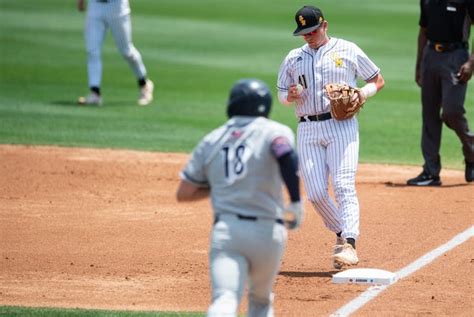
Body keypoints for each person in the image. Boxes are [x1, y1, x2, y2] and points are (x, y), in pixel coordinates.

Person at [176, 78, 303, 317]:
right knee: (261, 301)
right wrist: (295, 201)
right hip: (268, 233)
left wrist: (224, 185)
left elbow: (184, 193)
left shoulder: (212, 139)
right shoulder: (276, 131)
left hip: (228, 232)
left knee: (224, 299)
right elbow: (284, 154)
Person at [277, 6, 385, 270]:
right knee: (314, 193)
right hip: (307, 129)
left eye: (312, 31)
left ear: (324, 25)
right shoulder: (293, 58)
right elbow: (281, 96)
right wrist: (290, 95)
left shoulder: (348, 49)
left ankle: (349, 243)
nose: (308, 37)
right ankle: (340, 232)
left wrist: (362, 93)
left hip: (342, 127)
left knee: (343, 184)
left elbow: (377, 80)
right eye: (304, 33)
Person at [407, 0, 474, 186]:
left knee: (452, 111)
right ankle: (430, 172)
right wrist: (419, 65)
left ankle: (471, 151)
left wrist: (471, 63)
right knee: (429, 114)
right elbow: (423, 31)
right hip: (431, 55)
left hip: (456, 56)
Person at [77, 0, 154, 106]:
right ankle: (95, 93)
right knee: (92, 51)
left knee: (126, 51)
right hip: (95, 5)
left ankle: (144, 84)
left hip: (116, 7)